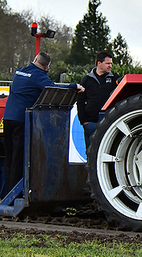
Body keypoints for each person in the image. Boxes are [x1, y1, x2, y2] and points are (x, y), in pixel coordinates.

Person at [1, 52, 84, 199]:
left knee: (9, 157)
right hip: (22, 120)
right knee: (19, 158)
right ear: (47, 67)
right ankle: (13, 195)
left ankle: (5, 192)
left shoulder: (19, 71)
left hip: (8, 118)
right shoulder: (39, 76)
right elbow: (53, 89)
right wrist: (73, 86)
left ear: (34, 60)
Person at [77, 51, 120, 149]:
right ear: (99, 63)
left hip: (108, 122)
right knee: (91, 150)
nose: (110, 66)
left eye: (111, 64)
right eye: (107, 63)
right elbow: (80, 101)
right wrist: (83, 120)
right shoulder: (87, 80)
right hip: (90, 122)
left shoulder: (115, 79)